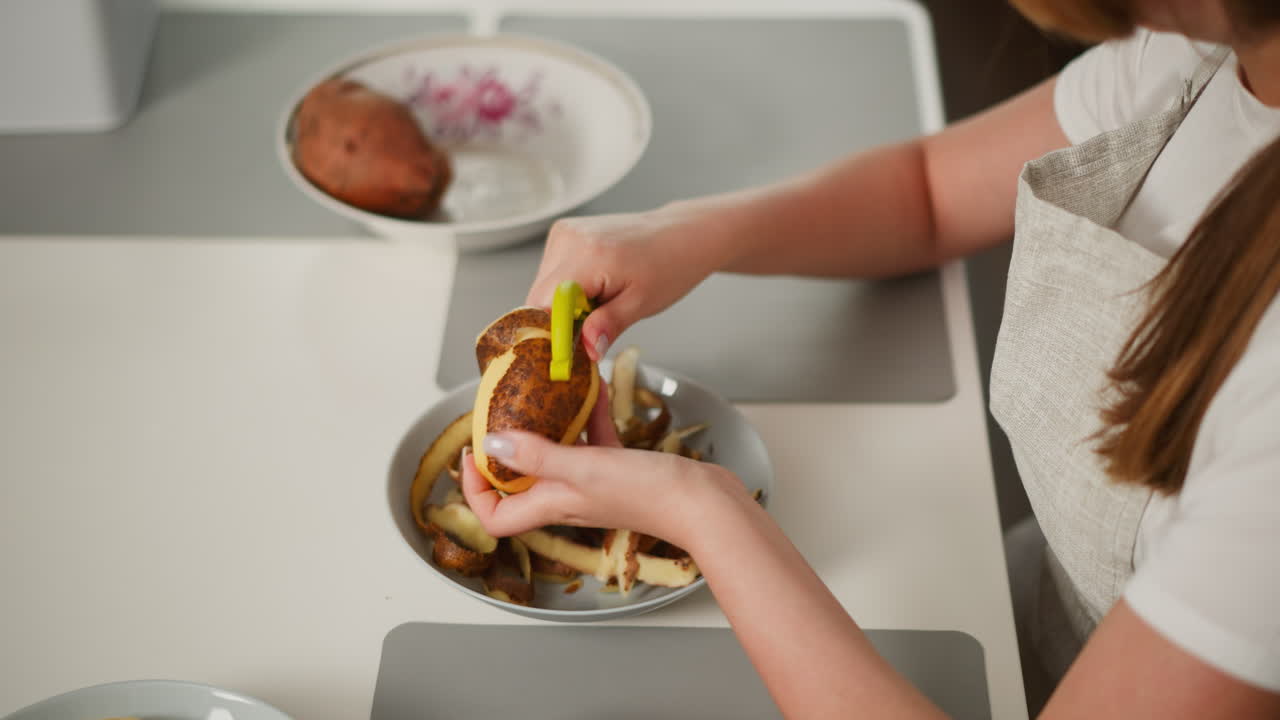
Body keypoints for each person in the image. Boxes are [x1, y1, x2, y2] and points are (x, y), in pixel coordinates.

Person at [461, 0, 1280, 715]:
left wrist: (705, 513)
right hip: (1005, 600)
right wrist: (689, 233)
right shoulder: (1196, 56)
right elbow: (925, 193)